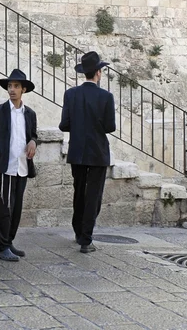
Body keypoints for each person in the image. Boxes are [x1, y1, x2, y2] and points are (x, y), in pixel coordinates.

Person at [58, 51, 116, 254]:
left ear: (84, 72)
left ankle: (78, 231)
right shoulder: (106, 97)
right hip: (98, 152)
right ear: (98, 73)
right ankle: (86, 238)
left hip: (78, 151)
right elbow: (110, 127)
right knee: (93, 195)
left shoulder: (70, 94)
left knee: (79, 192)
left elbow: (64, 125)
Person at [0, 69, 37, 262]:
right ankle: (1, 247)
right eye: (9, 86)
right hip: (6, 167)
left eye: (16, 86)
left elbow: (33, 134)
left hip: (23, 166)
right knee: (4, 208)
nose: (12, 90)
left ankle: (9, 242)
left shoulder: (30, 113)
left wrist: (33, 141)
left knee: (16, 209)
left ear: (23, 89)